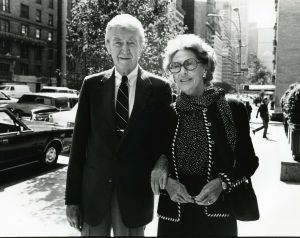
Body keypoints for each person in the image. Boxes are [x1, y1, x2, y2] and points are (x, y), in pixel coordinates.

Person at [65, 14, 172, 236]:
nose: (125, 49)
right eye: (118, 42)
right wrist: (72, 200)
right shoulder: (91, 85)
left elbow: (165, 140)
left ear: (142, 45)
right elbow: (77, 148)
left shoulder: (160, 89)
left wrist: (162, 161)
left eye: (132, 42)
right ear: (107, 45)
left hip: (135, 195)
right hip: (93, 196)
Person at [151, 34, 259, 236]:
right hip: (174, 217)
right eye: (175, 66)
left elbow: (248, 161)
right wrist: (168, 184)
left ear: (205, 67)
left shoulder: (232, 109)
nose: (182, 72)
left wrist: (222, 182)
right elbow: (152, 157)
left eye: (189, 64)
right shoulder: (166, 113)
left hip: (218, 216)